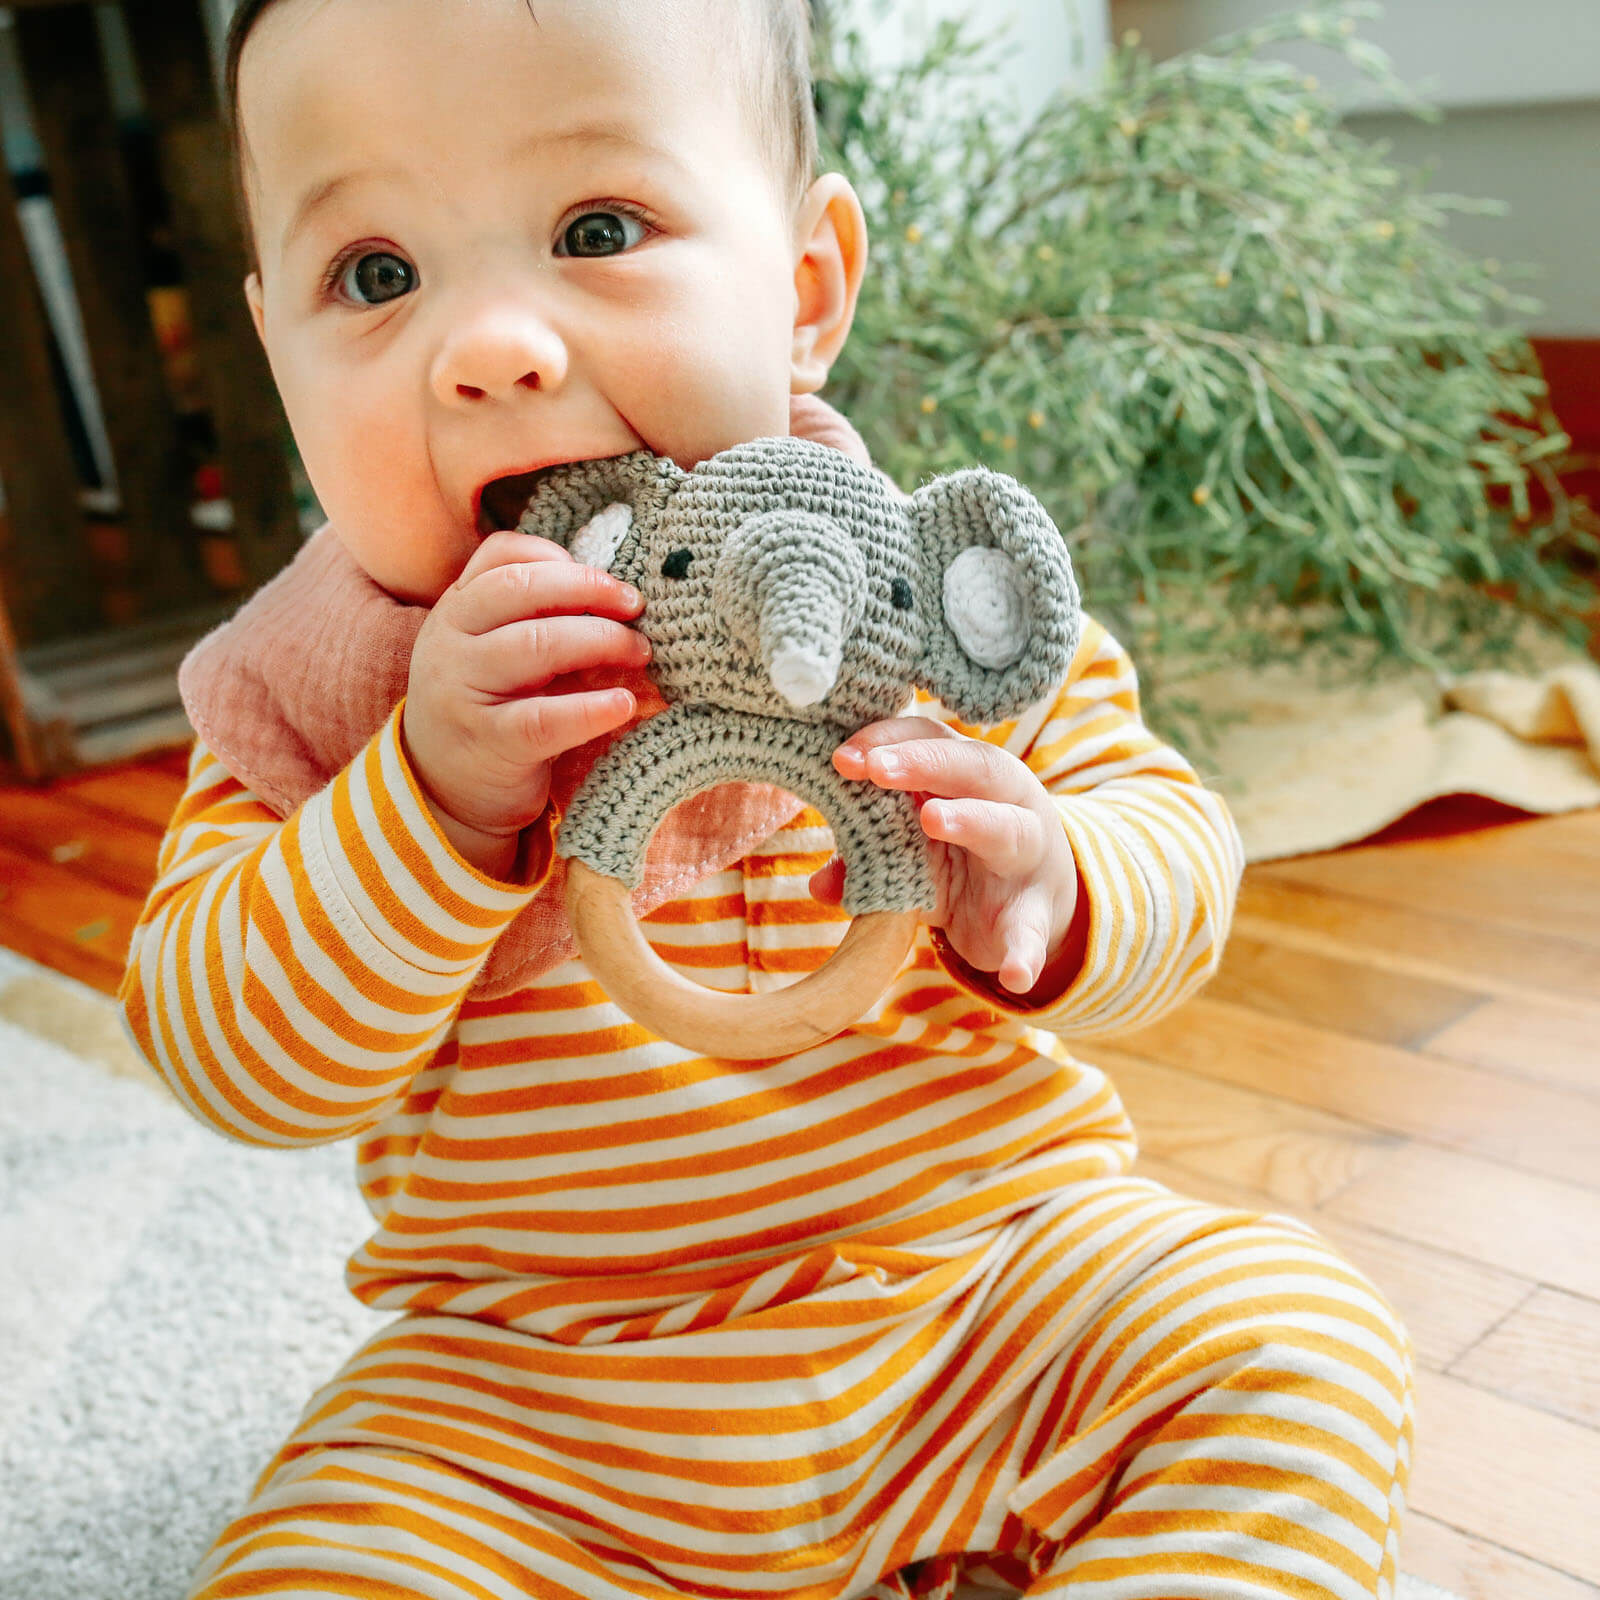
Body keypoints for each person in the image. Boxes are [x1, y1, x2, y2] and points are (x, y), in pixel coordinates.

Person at [118, 1, 1416, 1596]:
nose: (490, 349)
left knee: (1292, 1341)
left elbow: (1181, 857)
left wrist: (1054, 879)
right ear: (277, 356)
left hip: (979, 1292)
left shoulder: (926, 599)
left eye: (597, 226)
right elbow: (231, 1056)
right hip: (535, 1403)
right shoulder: (305, 696)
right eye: (375, 275)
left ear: (804, 292)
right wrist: (425, 808)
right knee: (318, 1565)